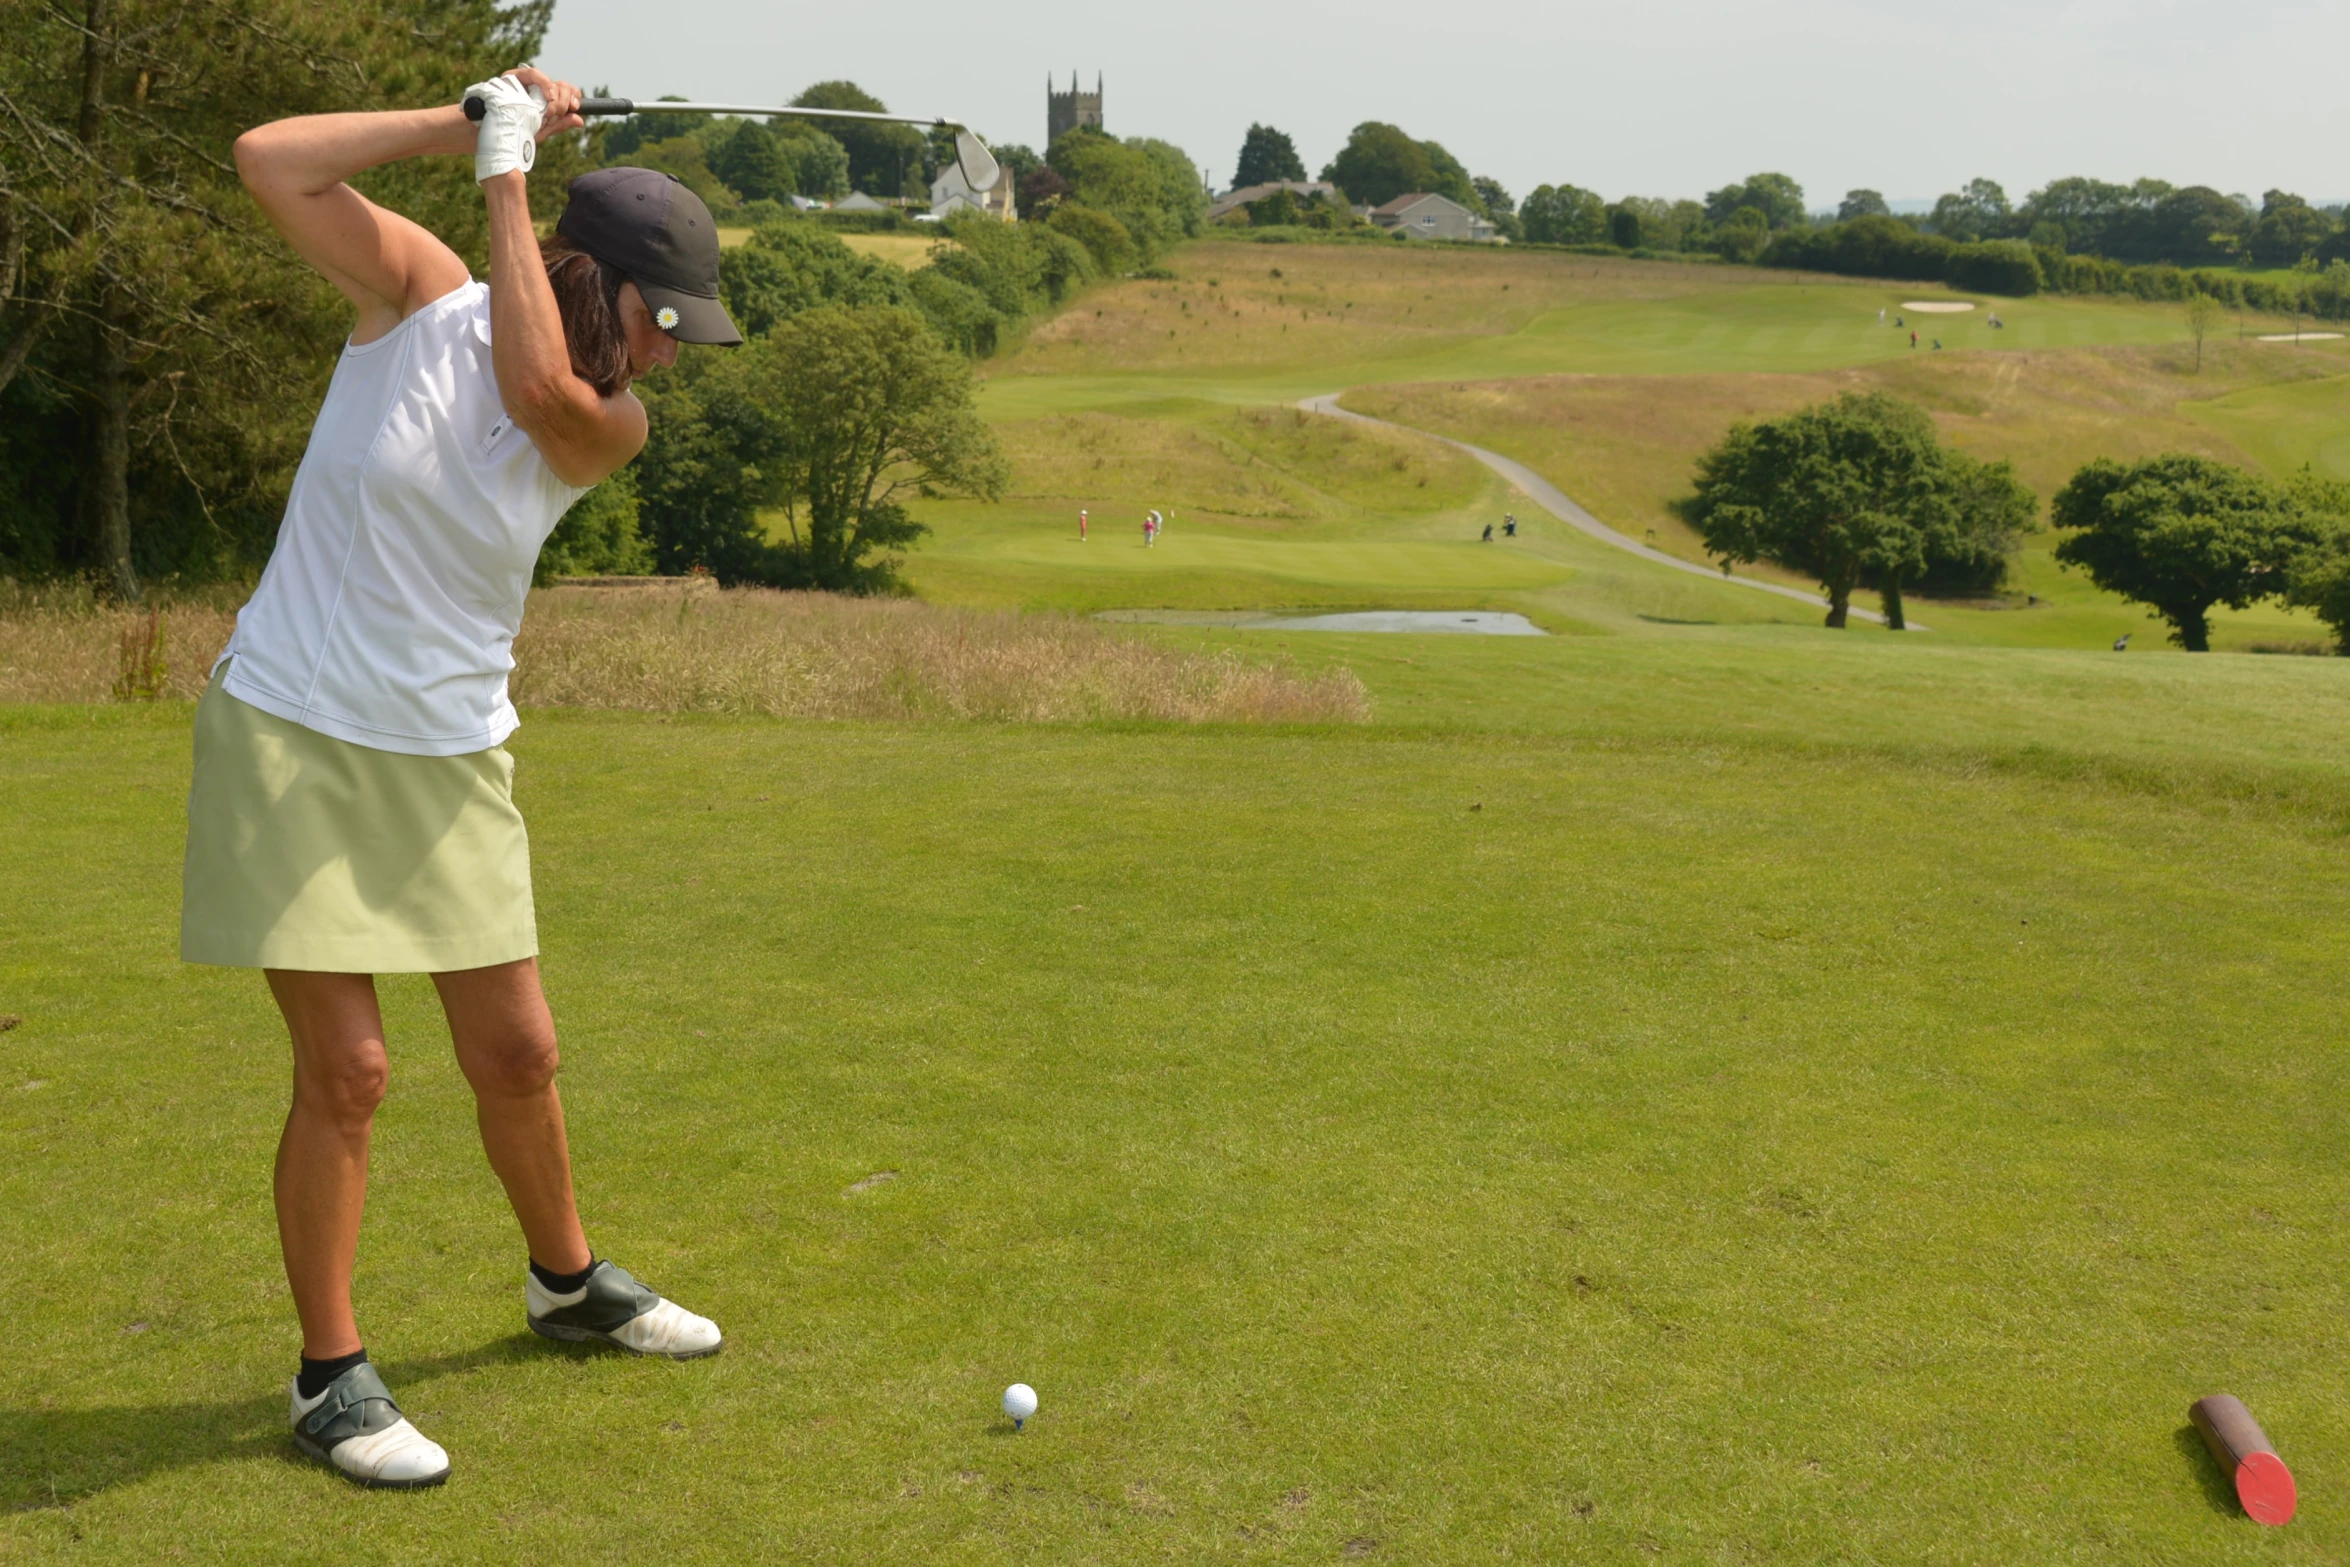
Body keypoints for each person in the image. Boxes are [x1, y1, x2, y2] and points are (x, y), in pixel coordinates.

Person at [192, 69, 736, 1490]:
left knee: (519, 1053)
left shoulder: (603, 422)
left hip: (451, 751)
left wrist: (503, 174)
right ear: (594, 278)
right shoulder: (416, 295)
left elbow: (537, 381)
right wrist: (467, 126)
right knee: (352, 1071)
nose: (665, 359)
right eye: (656, 322)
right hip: (295, 731)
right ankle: (329, 1377)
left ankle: (565, 1283)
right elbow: (268, 153)